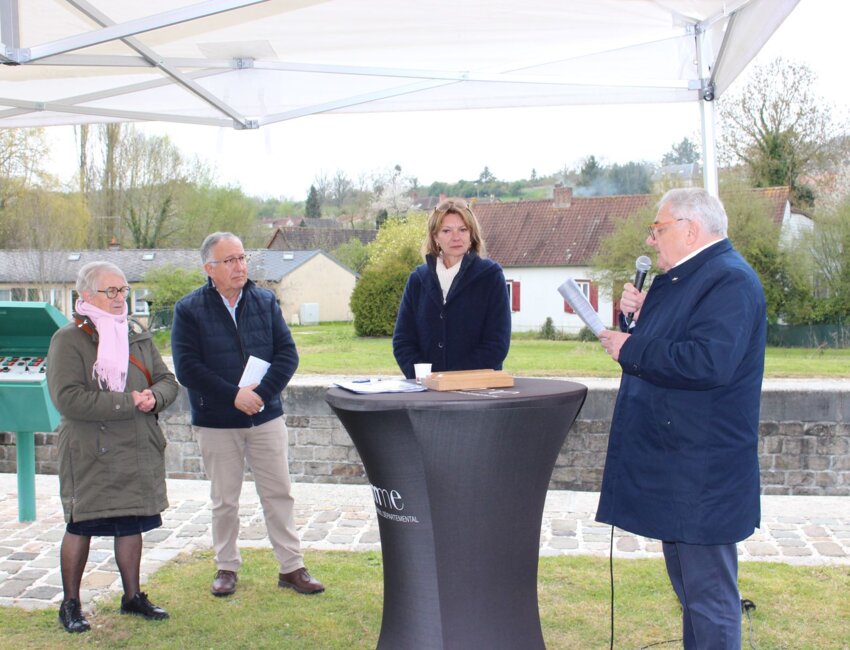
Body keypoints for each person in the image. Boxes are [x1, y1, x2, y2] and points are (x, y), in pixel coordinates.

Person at [596, 188, 767, 649]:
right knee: (692, 594)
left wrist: (633, 347)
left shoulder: (728, 281)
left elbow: (709, 362)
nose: (652, 241)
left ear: (690, 229)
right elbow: (664, 347)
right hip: (679, 467)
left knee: (709, 599)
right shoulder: (687, 278)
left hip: (702, 473)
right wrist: (632, 321)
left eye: (659, 229)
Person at [170, 232, 323, 597]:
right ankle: (226, 567)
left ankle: (291, 567)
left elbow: (288, 355)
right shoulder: (188, 309)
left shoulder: (265, 301)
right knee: (225, 499)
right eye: (230, 260)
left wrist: (260, 395)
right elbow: (187, 368)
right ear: (210, 268)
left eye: (242, 258)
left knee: (279, 494)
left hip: (265, 417)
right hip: (217, 422)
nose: (240, 266)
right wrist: (233, 396)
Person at [47, 261, 177, 633]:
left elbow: (168, 380)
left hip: (135, 447)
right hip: (90, 451)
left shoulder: (136, 335)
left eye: (123, 291)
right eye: (112, 291)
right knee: (81, 525)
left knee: (131, 522)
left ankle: (132, 597)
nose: (121, 298)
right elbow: (67, 399)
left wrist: (154, 396)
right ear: (86, 296)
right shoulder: (69, 339)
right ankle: (70, 604)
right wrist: (126, 402)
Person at [393, 197, 511, 379]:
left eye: (463, 230)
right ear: (435, 237)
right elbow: (403, 341)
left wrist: (453, 379)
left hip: (477, 390)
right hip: (426, 390)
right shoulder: (418, 279)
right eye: (447, 231)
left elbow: (497, 343)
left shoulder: (490, 276)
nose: (456, 237)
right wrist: (425, 377)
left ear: (472, 235)